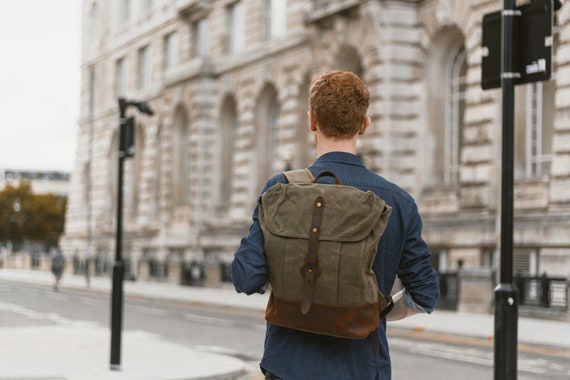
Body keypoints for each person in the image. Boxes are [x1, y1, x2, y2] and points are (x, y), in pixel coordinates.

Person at [232, 70, 439, 380]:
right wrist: (373, 313)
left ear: (311, 121)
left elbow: (246, 277)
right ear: (364, 125)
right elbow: (424, 293)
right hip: (361, 367)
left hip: (288, 367)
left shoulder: (279, 189)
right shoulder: (398, 201)